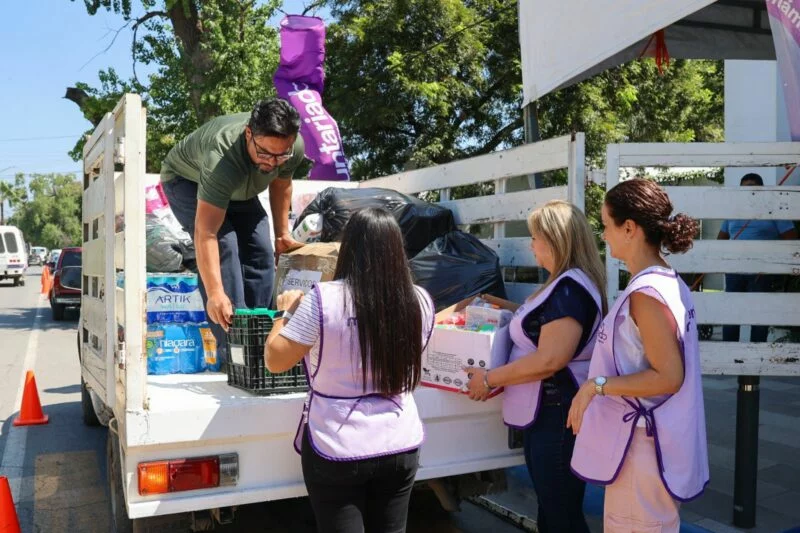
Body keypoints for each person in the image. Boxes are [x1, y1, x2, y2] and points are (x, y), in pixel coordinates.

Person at [265, 208, 436, 533]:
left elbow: (276, 360)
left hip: (337, 444)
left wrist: (283, 313)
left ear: (350, 248)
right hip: (400, 440)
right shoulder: (421, 301)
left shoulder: (322, 300)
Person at [568, 179, 709, 533]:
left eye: (606, 225)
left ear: (629, 228)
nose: (603, 235)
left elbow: (668, 376)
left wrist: (595, 387)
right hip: (651, 444)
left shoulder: (646, 293)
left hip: (642, 448)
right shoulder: (666, 281)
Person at [463, 200, 607, 533]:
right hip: (550, 412)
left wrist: (489, 378)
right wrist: (497, 304)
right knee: (554, 508)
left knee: (560, 514)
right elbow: (540, 323)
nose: (531, 244)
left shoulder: (568, 290)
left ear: (556, 241)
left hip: (556, 414)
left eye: (535, 237)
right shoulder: (565, 286)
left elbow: (550, 359)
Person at [161, 98, 306, 364]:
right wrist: (216, 293)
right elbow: (206, 233)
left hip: (240, 190)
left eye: (280, 155)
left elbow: (281, 185)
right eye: (264, 153)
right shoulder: (222, 158)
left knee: (261, 251)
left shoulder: (290, 147)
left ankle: (263, 339)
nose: (272, 163)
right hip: (186, 181)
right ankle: (235, 353)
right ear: (249, 134)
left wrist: (282, 234)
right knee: (226, 244)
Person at [717, 173, 797, 343]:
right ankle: (729, 356)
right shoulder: (734, 212)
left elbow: (791, 240)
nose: (748, 191)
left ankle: (756, 362)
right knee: (731, 315)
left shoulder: (773, 210)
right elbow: (721, 239)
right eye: (744, 188)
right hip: (734, 271)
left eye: (752, 187)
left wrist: (770, 264)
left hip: (761, 272)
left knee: (759, 316)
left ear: (761, 190)